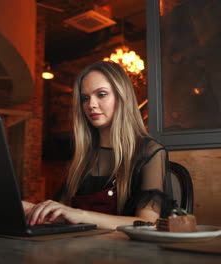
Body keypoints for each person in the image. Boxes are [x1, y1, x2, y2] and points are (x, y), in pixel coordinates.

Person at [24, 61, 175, 229]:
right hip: (78, 248)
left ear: (122, 97)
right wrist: (33, 209)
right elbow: (62, 214)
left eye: (101, 94)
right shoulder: (83, 155)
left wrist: (81, 214)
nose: (91, 105)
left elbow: (148, 223)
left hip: (127, 252)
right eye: (85, 98)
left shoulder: (149, 151)